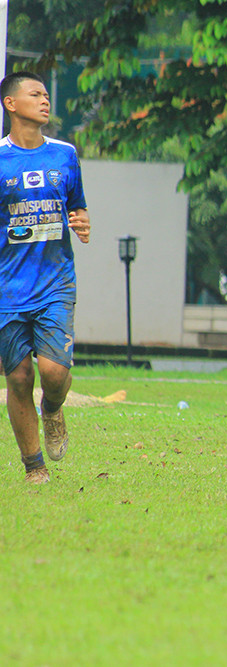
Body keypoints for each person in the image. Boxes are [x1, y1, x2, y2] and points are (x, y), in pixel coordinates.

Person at [0, 72, 90, 484]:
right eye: (35, 94)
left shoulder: (65, 154)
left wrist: (81, 222)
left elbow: (77, 206)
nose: (45, 100)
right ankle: (34, 467)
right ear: (11, 104)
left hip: (55, 280)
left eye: (47, 95)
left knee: (53, 373)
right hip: (7, 288)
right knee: (18, 377)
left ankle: (52, 409)